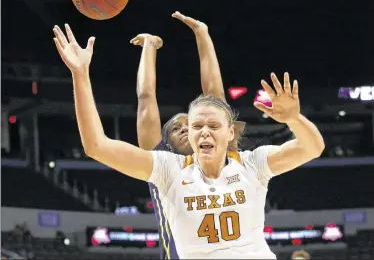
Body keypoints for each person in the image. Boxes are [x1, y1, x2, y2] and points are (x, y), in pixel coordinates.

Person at [52, 23, 325, 259]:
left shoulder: (251, 163)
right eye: (193, 127)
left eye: (213, 125)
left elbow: (312, 148)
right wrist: (80, 75)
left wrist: (294, 119)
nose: (201, 131)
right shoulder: (167, 167)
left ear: (230, 132)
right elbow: (99, 143)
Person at [130, 11, 245, 259]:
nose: (184, 128)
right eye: (175, 128)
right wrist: (150, 46)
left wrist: (202, 34)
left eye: (190, 124)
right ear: (166, 143)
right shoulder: (162, 166)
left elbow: (215, 97)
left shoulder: (223, 157)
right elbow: (146, 98)